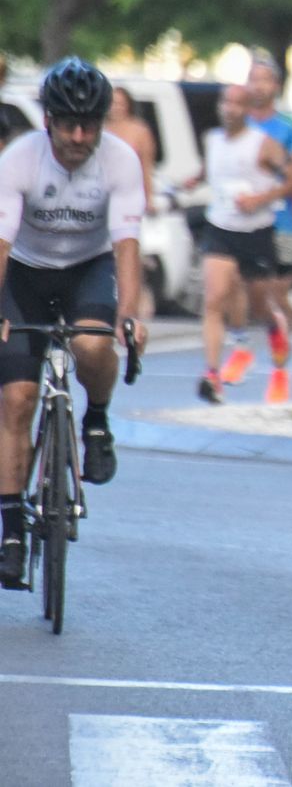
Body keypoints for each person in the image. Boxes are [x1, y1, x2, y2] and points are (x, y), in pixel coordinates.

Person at [0, 58, 149, 586]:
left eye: (91, 125)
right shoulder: (20, 160)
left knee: (92, 344)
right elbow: (1, 243)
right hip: (24, 273)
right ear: (48, 121)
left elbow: (128, 243)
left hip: (89, 267)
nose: (80, 136)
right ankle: (13, 529)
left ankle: (97, 420)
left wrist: (129, 313)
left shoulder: (120, 161)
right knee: (16, 400)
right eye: (69, 124)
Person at [192, 85, 290, 403]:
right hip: (220, 228)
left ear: (248, 109)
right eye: (226, 102)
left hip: (256, 233)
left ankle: (278, 359)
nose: (229, 109)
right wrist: (192, 181)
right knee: (214, 299)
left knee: (261, 308)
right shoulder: (212, 140)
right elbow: (212, 173)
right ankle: (212, 375)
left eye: (237, 103)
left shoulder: (264, 144)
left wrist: (260, 198)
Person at [243, 58, 292, 402]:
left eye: (265, 80)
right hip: (239, 222)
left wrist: (273, 175)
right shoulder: (236, 124)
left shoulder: (288, 128)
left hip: (280, 220)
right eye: (252, 79)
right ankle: (266, 341)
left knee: (278, 293)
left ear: (276, 87)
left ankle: (281, 361)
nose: (258, 86)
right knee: (249, 296)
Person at [105, 87, 158, 212]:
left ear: (128, 105)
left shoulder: (140, 130)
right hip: (103, 195)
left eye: (120, 104)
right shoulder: (99, 130)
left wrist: (149, 199)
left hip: (130, 195)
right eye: (113, 103)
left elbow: (147, 167)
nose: (116, 107)